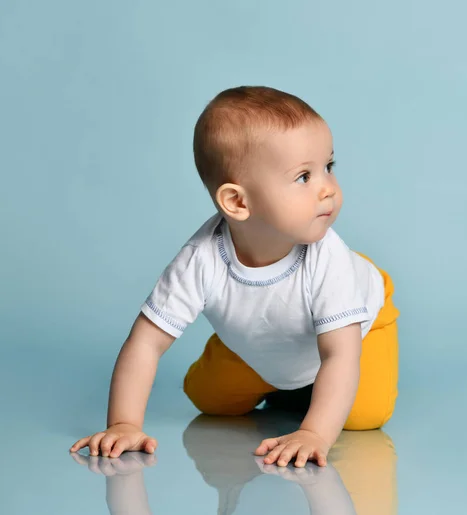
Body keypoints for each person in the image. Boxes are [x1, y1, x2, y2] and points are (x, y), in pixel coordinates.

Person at [70, 86, 400, 468]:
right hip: (263, 339)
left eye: (329, 166)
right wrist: (124, 424)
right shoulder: (202, 259)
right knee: (209, 401)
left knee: (364, 416)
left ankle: (301, 388)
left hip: (358, 330)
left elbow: (341, 355)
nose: (327, 188)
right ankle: (264, 364)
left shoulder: (329, 260)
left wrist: (314, 434)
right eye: (303, 177)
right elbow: (145, 342)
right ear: (238, 202)